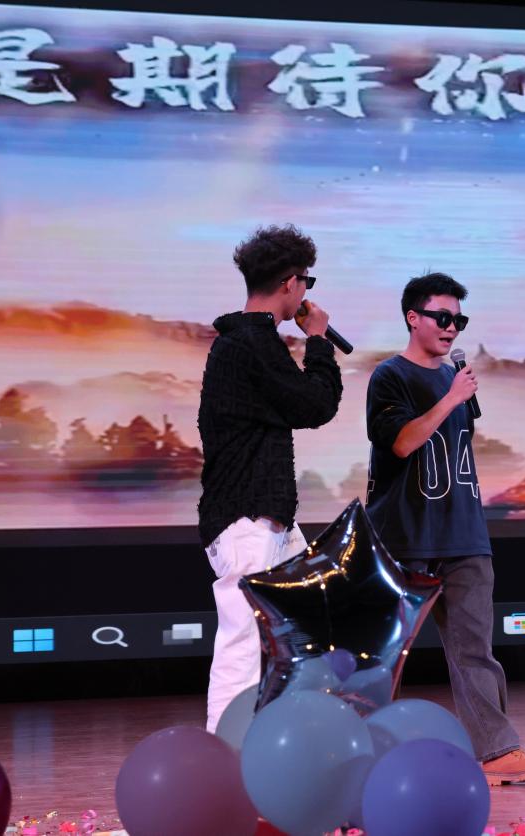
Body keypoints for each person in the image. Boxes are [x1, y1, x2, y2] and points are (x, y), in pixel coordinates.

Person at [365, 271, 525, 785]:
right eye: (442, 317)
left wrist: (455, 394)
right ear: (413, 317)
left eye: (459, 320)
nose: (452, 328)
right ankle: (362, 755)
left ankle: (497, 754)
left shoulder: (455, 378)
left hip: (464, 534)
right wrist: (450, 398)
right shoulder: (391, 376)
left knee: (475, 651)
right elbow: (401, 443)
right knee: (383, 656)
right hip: (404, 537)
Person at [197, 224, 342, 732]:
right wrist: (318, 340)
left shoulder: (247, 341)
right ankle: (224, 756)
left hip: (270, 520)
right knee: (242, 644)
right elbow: (315, 405)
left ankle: (291, 739)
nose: (306, 293)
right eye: (306, 281)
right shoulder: (251, 343)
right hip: (247, 520)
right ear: (289, 283)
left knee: (305, 627)